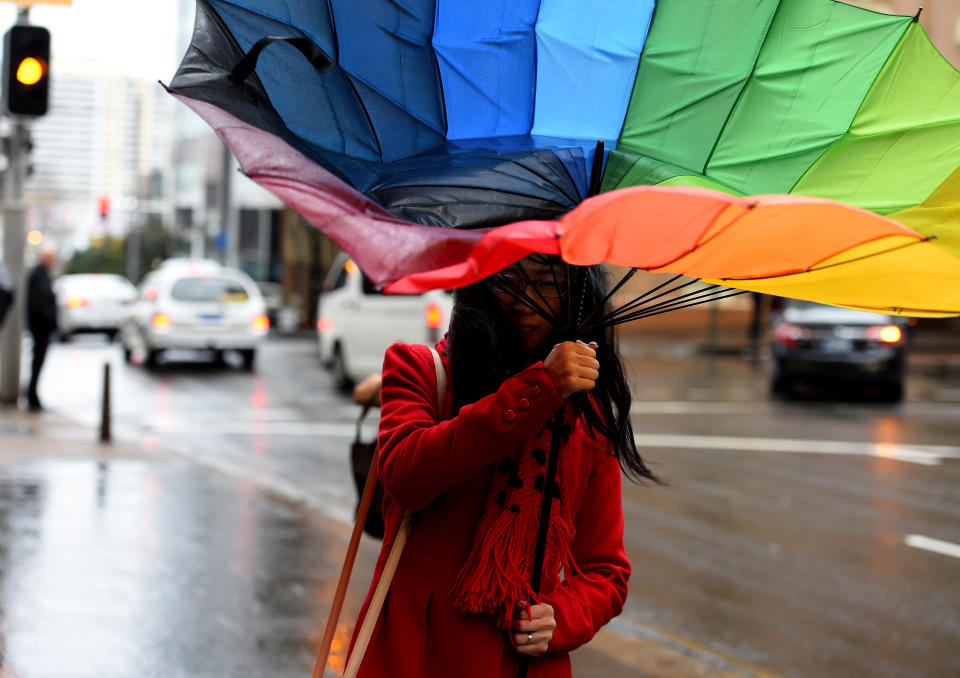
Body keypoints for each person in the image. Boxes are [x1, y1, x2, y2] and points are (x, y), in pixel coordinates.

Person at [347, 254, 659, 677]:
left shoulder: (588, 417)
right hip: (414, 652)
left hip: (521, 663)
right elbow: (406, 476)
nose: (525, 302)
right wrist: (539, 388)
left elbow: (606, 571)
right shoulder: (419, 370)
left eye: (548, 283)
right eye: (508, 279)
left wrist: (560, 617)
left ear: (577, 297)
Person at [25, 248, 57, 411]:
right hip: (40, 327)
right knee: (37, 360)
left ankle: (32, 394)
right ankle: (31, 395)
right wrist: (49, 320)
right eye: (52, 258)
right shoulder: (37, 276)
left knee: (38, 361)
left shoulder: (43, 275)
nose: (54, 261)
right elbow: (38, 305)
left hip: (43, 327)